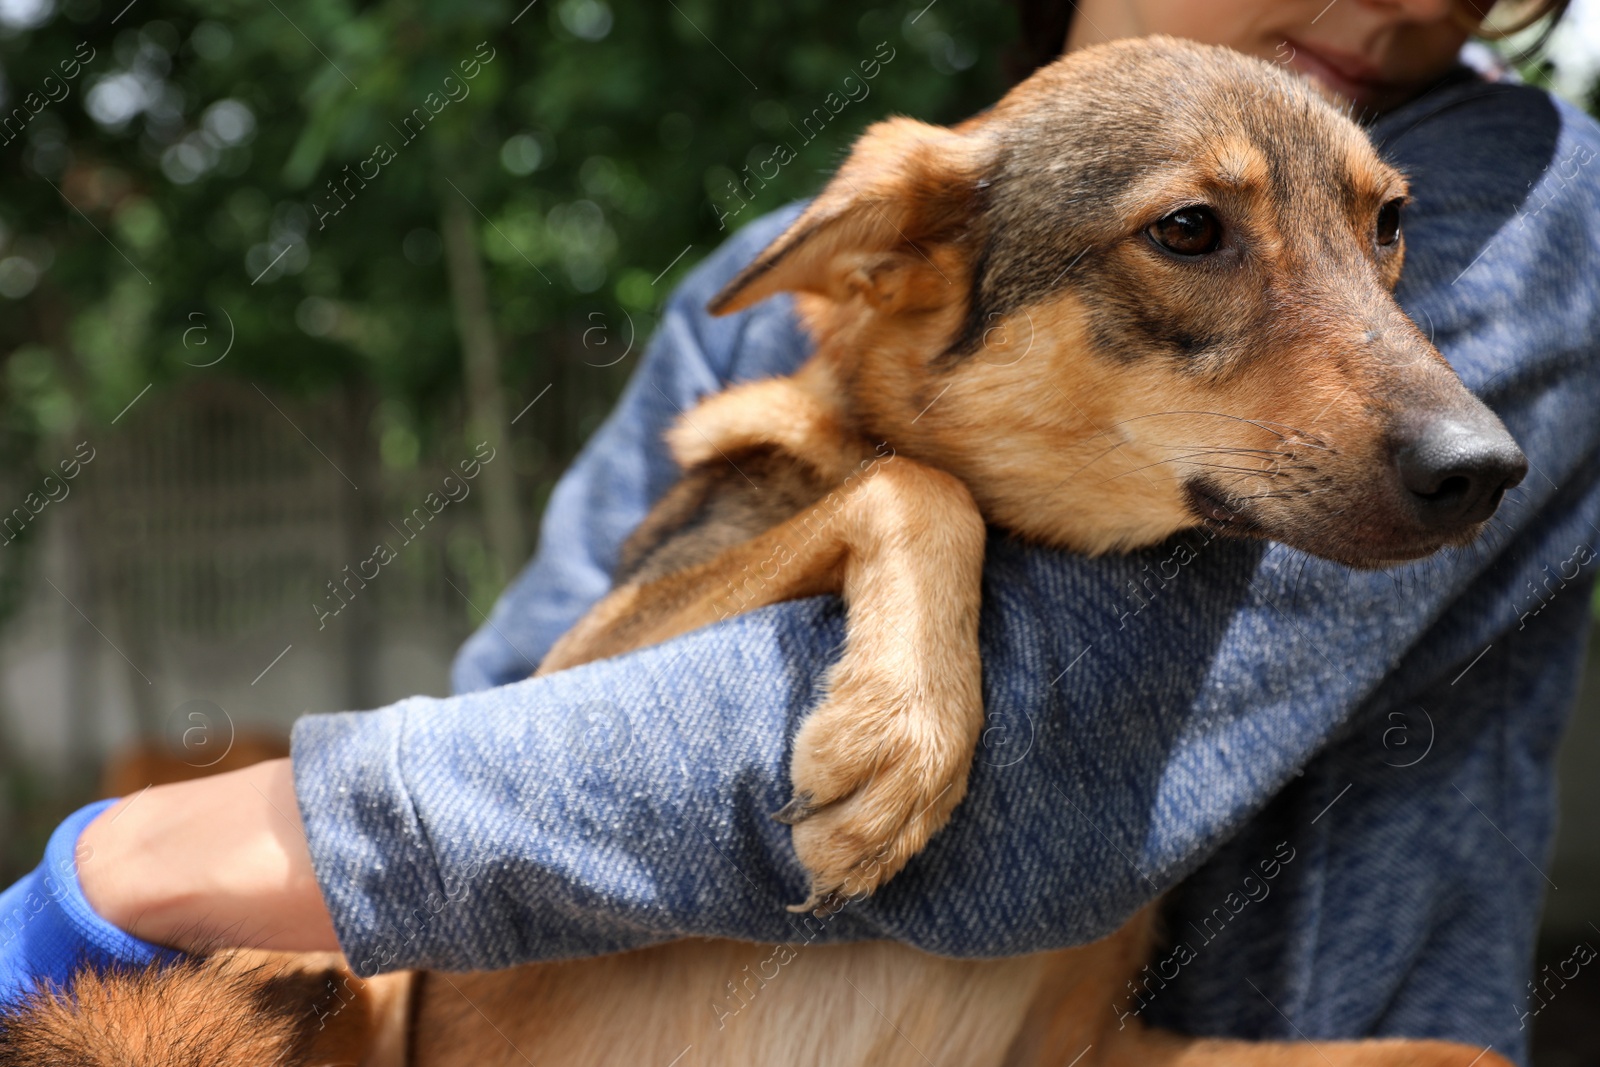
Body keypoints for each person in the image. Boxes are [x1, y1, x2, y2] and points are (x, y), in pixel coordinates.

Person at [5, 0, 1598, 1060]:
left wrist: (178, 855)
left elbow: (1029, 814)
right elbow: (525, 739)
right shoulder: (791, 283)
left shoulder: (1526, 198)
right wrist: (894, 523)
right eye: (1195, 236)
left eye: (1382, 235)